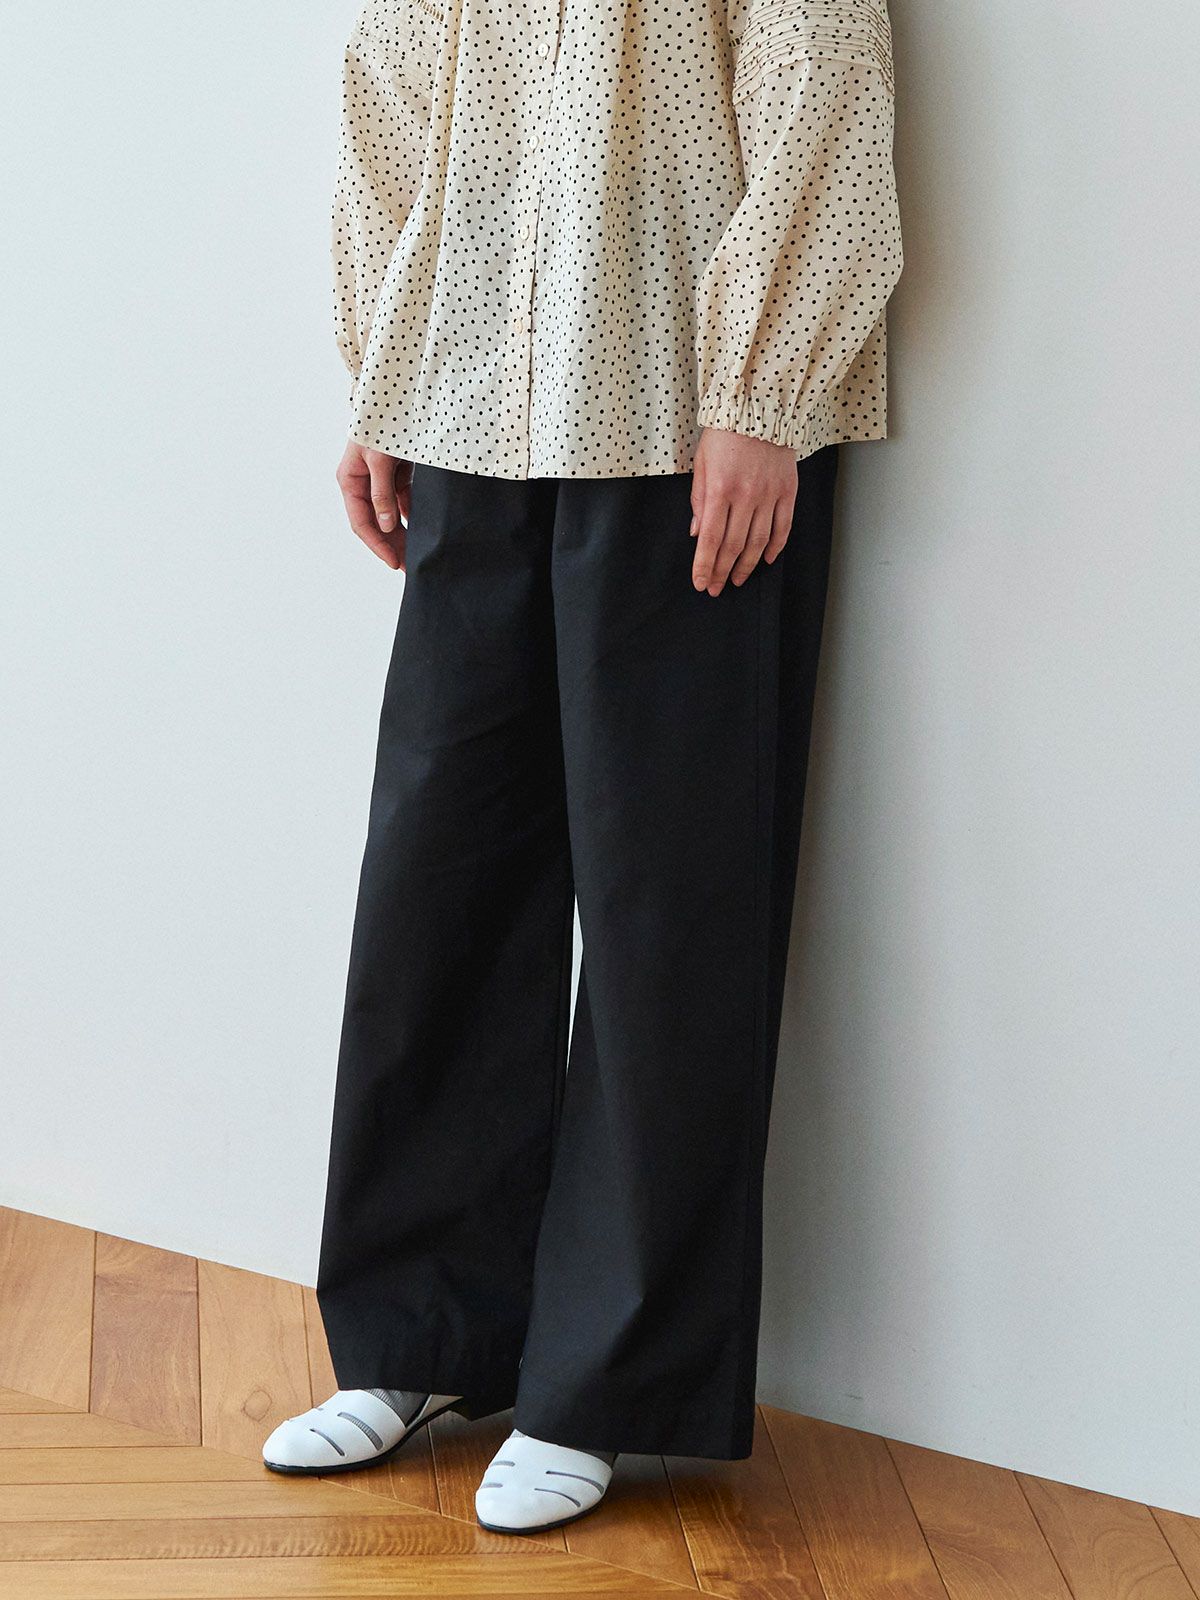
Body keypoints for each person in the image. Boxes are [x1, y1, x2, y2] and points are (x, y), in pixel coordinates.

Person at [262, 0, 902, 1534]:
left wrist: (760, 395)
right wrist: (383, 371)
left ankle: (604, 1387)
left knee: (666, 900)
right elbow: (393, 92)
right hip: (469, 390)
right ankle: (420, 1334)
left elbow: (818, 78)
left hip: (683, 413)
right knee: (436, 876)